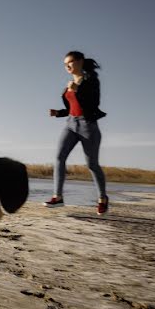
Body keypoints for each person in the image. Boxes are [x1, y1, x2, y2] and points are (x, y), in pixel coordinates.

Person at [45, 50, 109, 215]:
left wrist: (78, 90)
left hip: (88, 126)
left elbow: (93, 104)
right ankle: (57, 197)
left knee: (92, 165)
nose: (67, 66)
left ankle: (102, 198)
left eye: (70, 62)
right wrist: (58, 113)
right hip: (71, 124)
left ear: (80, 61)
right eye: (65, 64)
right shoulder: (68, 84)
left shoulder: (91, 81)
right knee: (59, 157)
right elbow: (70, 108)